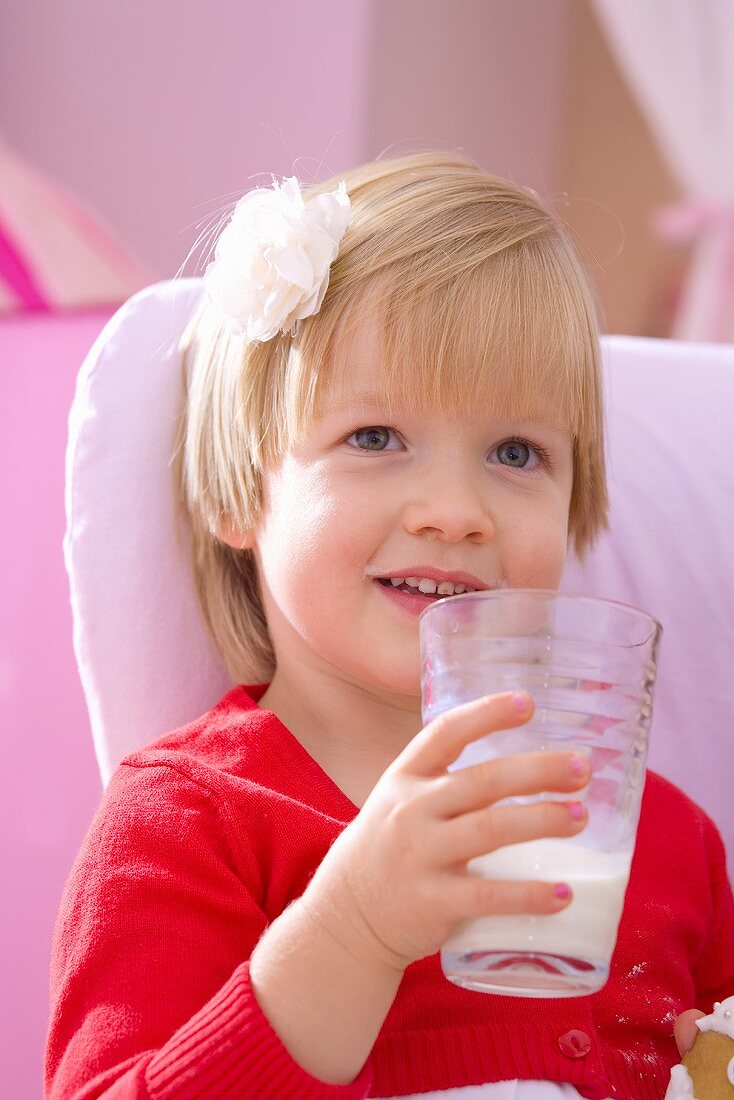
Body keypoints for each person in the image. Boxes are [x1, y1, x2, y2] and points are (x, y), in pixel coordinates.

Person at [44, 152, 734, 1100]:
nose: (455, 510)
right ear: (244, 491)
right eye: (374, 438)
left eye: (516, 451)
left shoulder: (671, 839)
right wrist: (353, 930)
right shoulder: (193, 819)